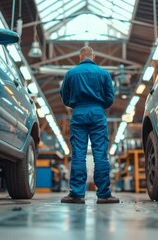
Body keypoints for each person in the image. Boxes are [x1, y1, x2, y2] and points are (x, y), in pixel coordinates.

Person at [59, 46, 119, 204]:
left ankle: (77, 194)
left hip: (78, 113)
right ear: (94, 57)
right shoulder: (104, 73)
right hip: (98, 114)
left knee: (78, 155)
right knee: (101, 155)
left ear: (80, 58)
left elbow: (64, 97)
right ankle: (104, 195)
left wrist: (76, 104)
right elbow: (110, 98)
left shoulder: (71, 73)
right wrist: (99, 106)